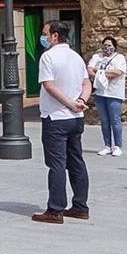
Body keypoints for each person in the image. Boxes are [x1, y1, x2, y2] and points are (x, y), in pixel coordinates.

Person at [33, 21, 91, 224]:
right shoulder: (76, 57)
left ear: (55, 36)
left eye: (45, 33)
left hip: (56, 117)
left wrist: (70, 104)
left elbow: (48, 86)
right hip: (75, 119)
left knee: (56, 164)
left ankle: (55, 210)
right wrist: (81, 101)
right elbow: (87, 83)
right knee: (76, 161)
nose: (43, 37)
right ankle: (80, 206)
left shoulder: (48, 57)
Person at [87, 36, 126, 157]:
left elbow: (118, 72)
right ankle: (107, 145)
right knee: (104, 121)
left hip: (114, 93)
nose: (107, 47)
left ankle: (118, 146)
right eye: (105, 45)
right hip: (100, 93)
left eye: (109, 45)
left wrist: (100, 72)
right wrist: (102, 74)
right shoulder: (97, 57)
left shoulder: (119, 58)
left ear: (114, 46)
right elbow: (89, 69)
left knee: (115, 120)